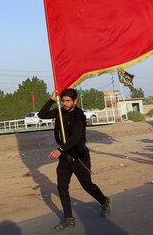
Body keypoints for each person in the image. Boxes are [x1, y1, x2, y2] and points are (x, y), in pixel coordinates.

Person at [38, 89, 111, 230]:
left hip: (79, 156)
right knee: (62, 187)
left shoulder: (79, 116)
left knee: (87, 185)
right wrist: (52, 100)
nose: (65, 103)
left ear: (74, 101)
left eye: (68, 101)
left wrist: (59, 150)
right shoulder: (60, 112)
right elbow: (42, 115)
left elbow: (75, 138)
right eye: (63, 100)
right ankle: (69, 218)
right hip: (65, 157)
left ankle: (105, 201)